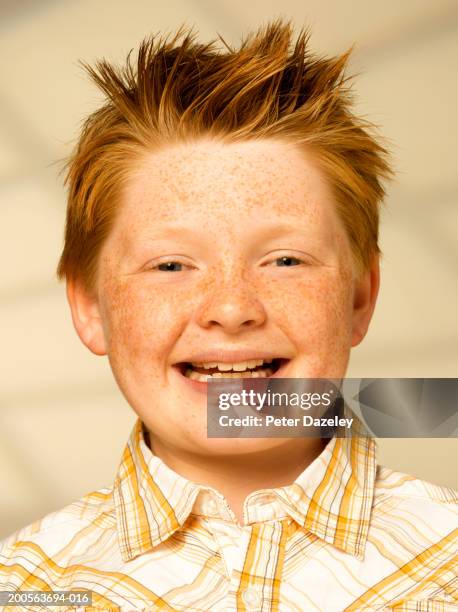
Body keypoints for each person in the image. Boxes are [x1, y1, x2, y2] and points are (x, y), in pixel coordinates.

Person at [1, 18, 456, 611]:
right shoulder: (22, 586)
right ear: (89, 308)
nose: (233, 308)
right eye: (170, 266)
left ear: (358, 298)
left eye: (285, 259)